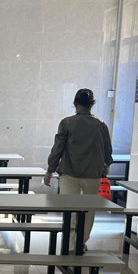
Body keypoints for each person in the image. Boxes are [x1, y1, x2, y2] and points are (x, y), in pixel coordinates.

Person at [44, 88, 112, 253]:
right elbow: (107, 149)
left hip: (69, 173)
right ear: (92, 104)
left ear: (75, 103)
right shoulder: (101, 125)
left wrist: (50, 170)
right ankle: (80, 243)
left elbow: (58, 148)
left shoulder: (67, 123)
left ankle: (69, 245)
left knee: (70, 209)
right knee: (88, 211)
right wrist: (106, 165)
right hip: (92, 174)